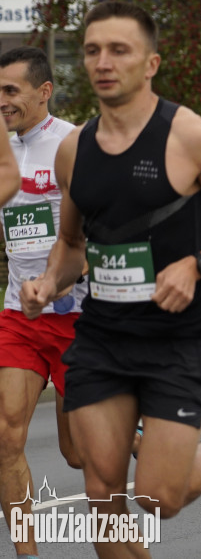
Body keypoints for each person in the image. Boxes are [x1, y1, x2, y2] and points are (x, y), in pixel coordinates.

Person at [20, 1, 201, 554]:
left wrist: (198, 263)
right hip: (101, 337)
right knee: (100, 489)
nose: (103, 62)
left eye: (119, 50)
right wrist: (47, 285)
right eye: (92, 50)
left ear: (151, 63)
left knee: (160, 498)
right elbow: (70, 245)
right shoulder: (74, 151)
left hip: (173, 339)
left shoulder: (190, 137)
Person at [0, 46, 89, 559]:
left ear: (44, 91)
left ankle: (185, 440)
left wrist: (55, 284)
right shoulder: (3, 155)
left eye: (12, 91)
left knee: (77, 454)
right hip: (18, 317)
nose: (3, 101)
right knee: (6, 439)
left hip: (77, 317)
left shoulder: (74, 144)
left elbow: (93, 233)